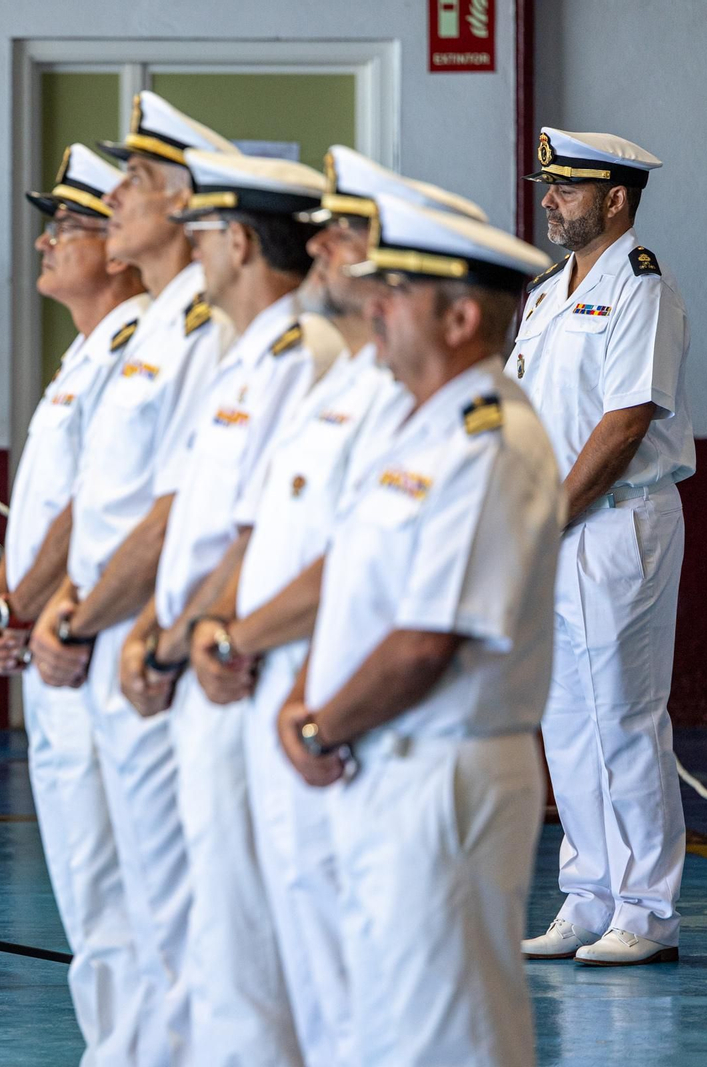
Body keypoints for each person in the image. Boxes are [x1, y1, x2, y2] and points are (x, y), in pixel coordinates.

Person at [189, 146, 490, 1063]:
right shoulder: (354, 384)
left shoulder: (445, 418)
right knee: (321, 984)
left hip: (373, 726)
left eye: (351, 240)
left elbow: (365, 583)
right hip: (300, 701)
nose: (321, 249)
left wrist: (234, 637)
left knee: (402, 1009)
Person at [278, 193, 558, 1066]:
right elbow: (353, 591)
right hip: (384, 764)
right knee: (381, 1028)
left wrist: (320, 721)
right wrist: (306, 702)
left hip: (442, 770)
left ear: (463, 314)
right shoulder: (416, 426)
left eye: (397, 289)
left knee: (444, 1032)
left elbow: (424, 642)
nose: (374, 305)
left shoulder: (487, 440)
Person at [27, 90, 238, 1066]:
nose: (117, 198)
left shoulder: (202, 325)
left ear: (189, 204)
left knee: (173, 887)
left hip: (145, 632)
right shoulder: (148, 328)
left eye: (138, 183)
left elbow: (173, 507)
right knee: (110, 876)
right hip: (104, 628)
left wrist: (78, 617)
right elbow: (96, 500)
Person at [116, 148, 336, 1067]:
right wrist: (150, 627)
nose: (193, 251)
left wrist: (171, 640)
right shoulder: (246, 356)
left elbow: (259, 538)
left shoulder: (299, 357)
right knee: (212, 912)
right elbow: (197, 527)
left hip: (238, 665)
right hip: (199, 656)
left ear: (239, 242)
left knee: (250, 924)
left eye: (203, 233)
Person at [0, 143, 148, 1064]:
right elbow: (43, 505)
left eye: (67, 226)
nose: (45, 242)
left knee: (114, 874)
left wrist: (16, 606)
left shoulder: (137, 345)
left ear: (116, 247)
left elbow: (101, 507)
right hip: (52, 636)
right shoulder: (86, 351)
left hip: (96, 638)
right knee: (83, 870)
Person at [511, 128, 691, 966]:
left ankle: (646, 910)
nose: (550, 199)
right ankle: (587, 896)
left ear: (615, 199)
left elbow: (623, 425)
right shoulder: (548, 294)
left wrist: (545, 516)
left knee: (622, 714)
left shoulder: (640, 289)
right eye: (549, 185)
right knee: (567, 718)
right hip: (552, 523)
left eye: (567, 187)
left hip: (618, 522)